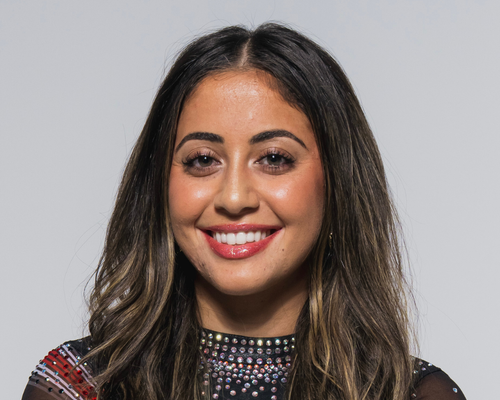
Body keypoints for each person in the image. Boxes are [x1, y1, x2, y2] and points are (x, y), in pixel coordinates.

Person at [21, 23, 466, 400]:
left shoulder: (412, 393)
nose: (234, 198)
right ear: (159, 185)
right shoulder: (77, 385)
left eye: (274, 158)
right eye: (202, 160)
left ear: (337, 184)